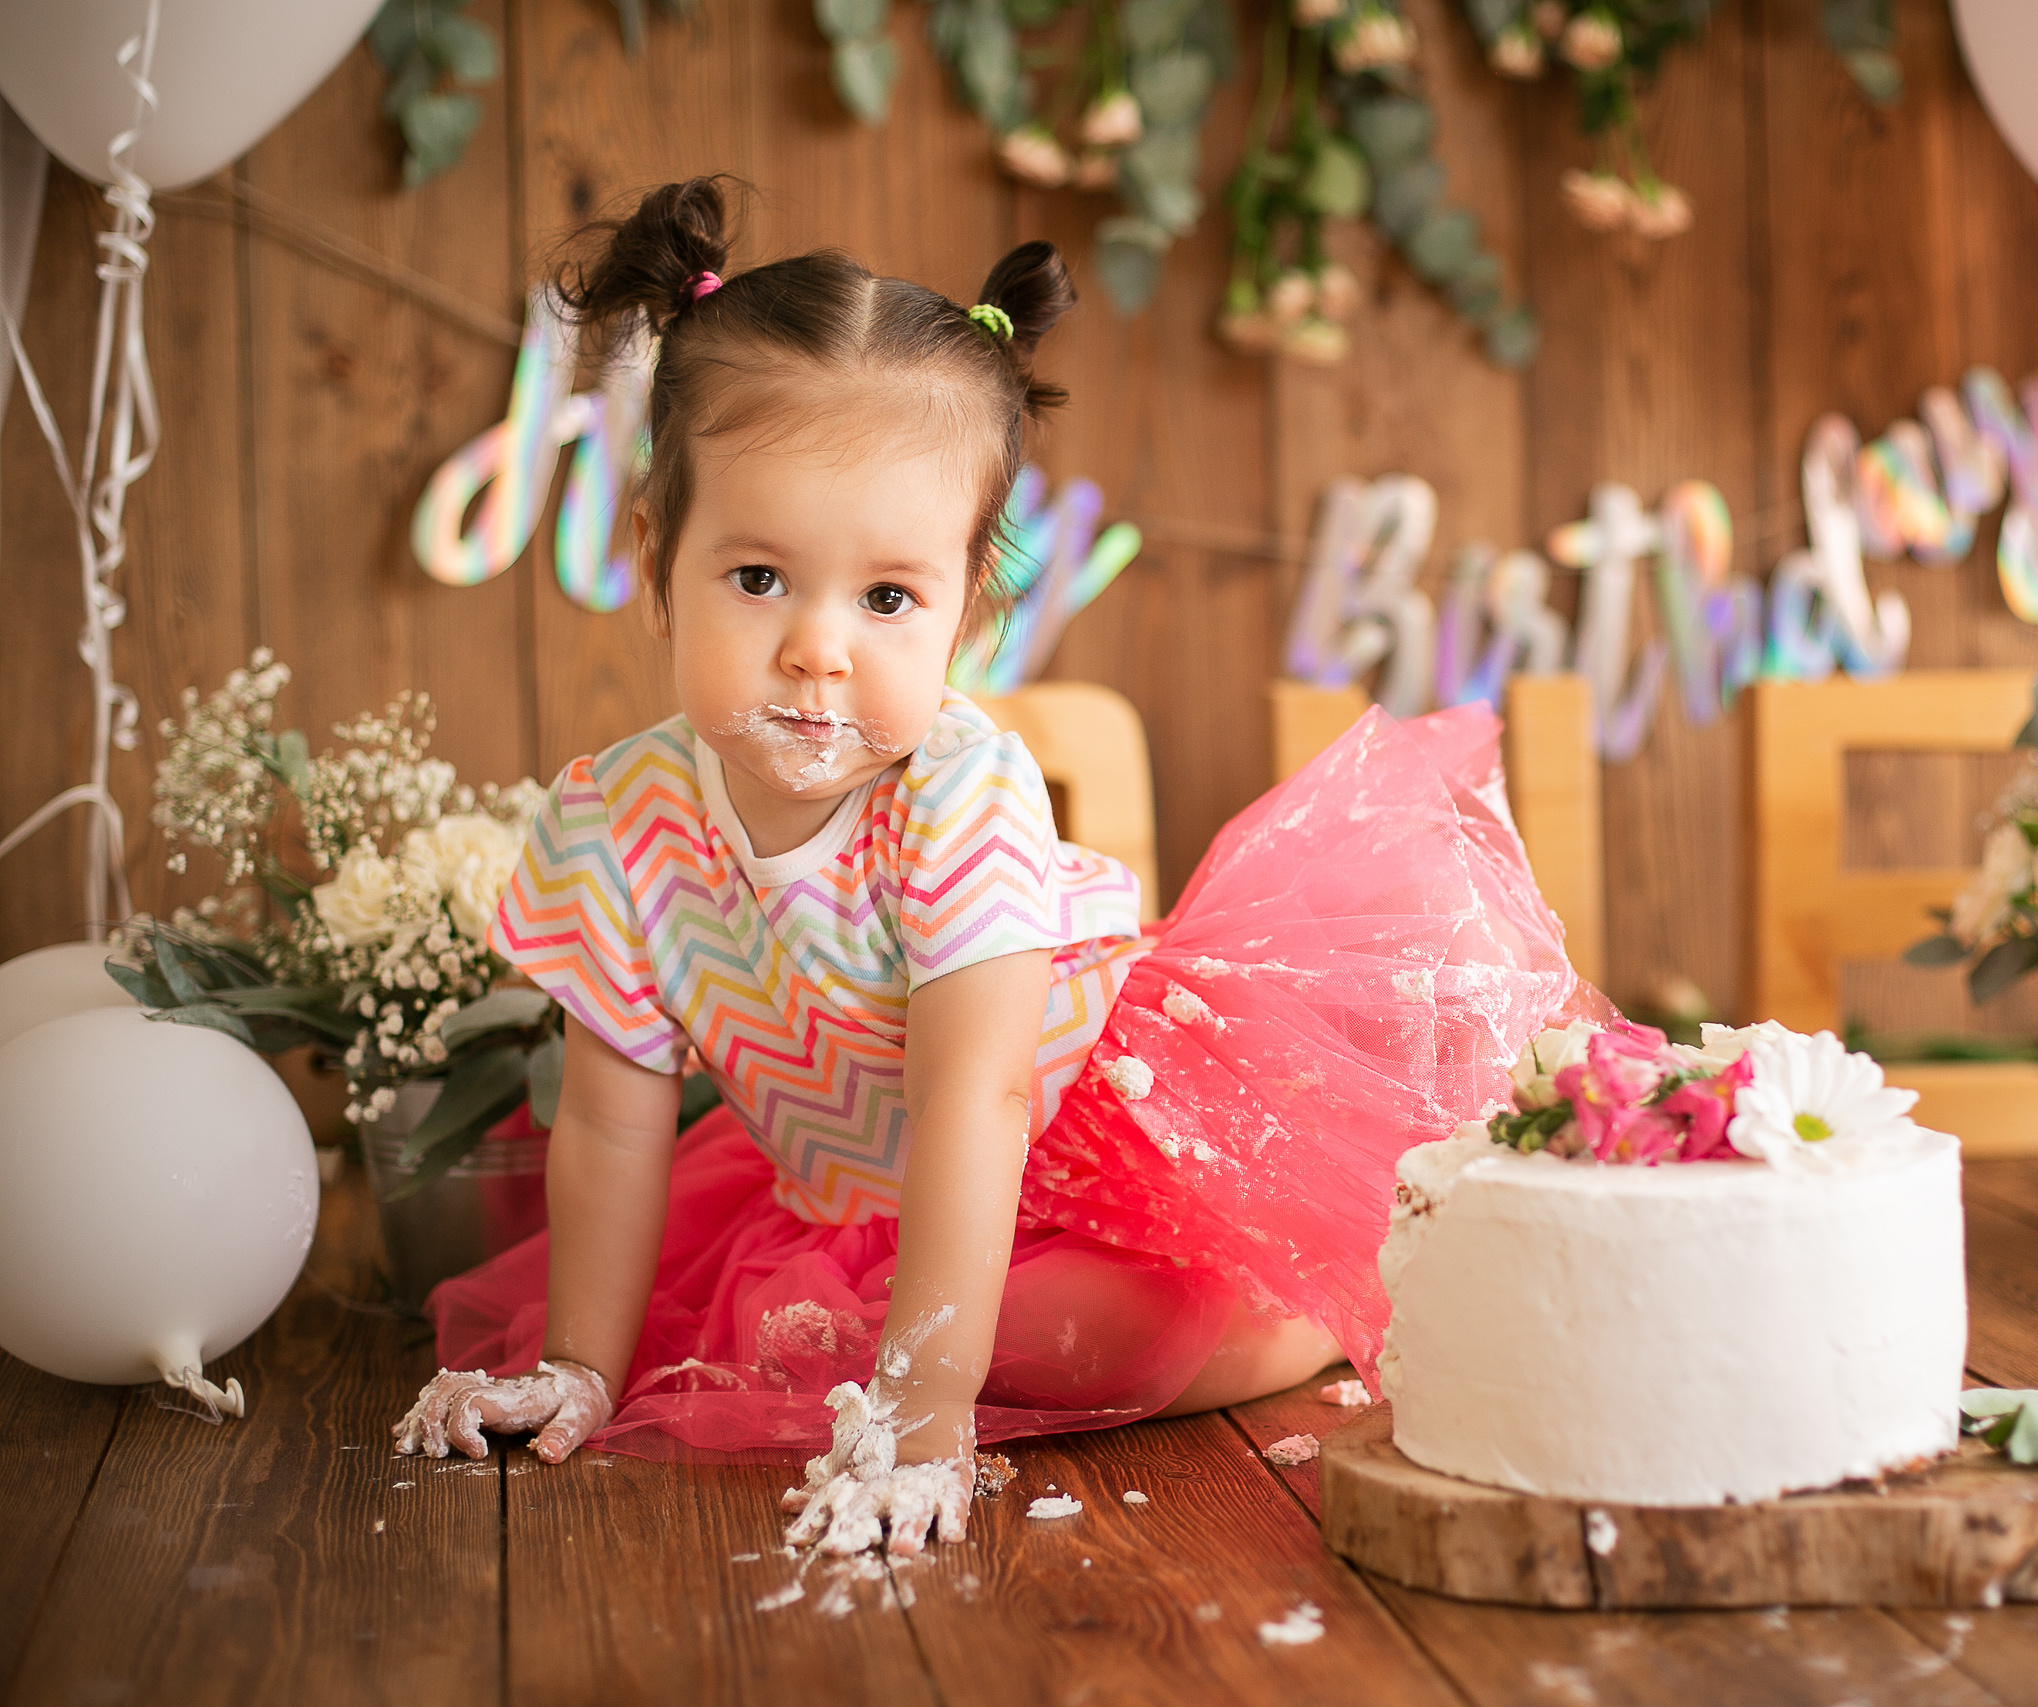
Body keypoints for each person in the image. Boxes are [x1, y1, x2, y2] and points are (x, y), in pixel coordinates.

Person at [390, 178, 1584, 1537]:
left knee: (1075, 1337)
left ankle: (1312, 1296)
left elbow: (980, 1098)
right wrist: (582, 1366)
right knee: (803, 1334)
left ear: (964, 618)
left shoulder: (958, 796)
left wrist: (924, 1406)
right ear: (657, 560)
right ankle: (1007, 1329)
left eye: (887, 597)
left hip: (1101, 1136)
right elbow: (613, 1123)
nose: (818, 649)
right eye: (759, 578)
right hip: (875, 1190)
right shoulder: (617, 822)